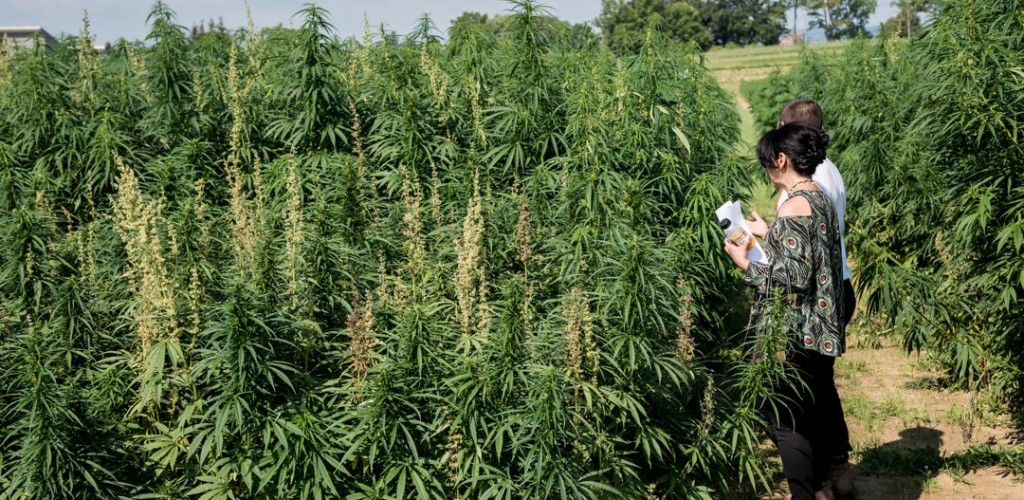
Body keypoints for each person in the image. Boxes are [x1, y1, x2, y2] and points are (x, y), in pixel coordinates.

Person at [724, 123, 846, 500]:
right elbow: (808, 251)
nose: (766, 169)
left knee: (787, 421)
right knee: (806, 412)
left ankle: (803, 494)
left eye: (767, 162)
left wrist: (746, 265)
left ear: (782, 159)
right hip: (821, 324)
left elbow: (793, 277)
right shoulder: (817, 197)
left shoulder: (795, 205)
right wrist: (770, 231)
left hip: (795, 331)